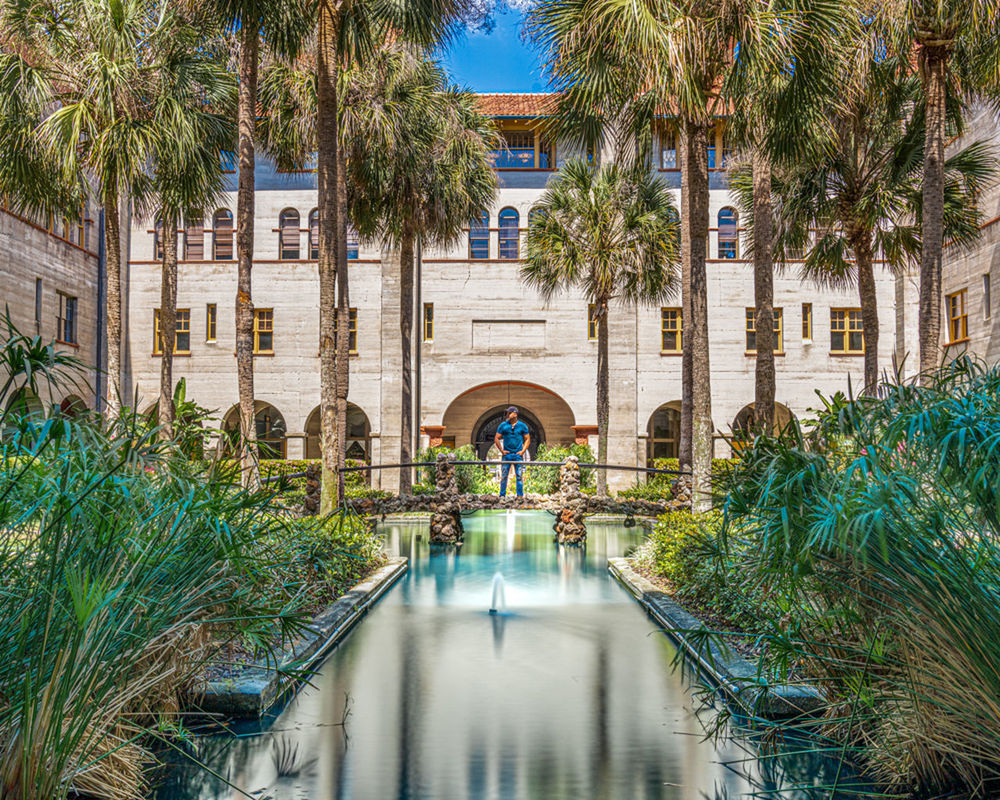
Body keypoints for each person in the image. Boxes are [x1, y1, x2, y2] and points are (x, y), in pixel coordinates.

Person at [494, 406, 530, 497]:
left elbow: (527, 439)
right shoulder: (503, 425)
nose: (507, 414)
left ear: (515, 414)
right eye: (507, 413)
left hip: (518, 455)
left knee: (519, 476)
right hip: (507, 455)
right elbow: (496, 438)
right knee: (504, 476)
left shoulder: (522, 426)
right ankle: (502, 496)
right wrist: (502, 451)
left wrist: (522, 451)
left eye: (509, 413)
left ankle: (520, 496)